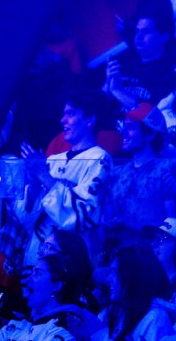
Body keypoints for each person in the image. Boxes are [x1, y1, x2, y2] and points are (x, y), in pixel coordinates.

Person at [16, 89, 113, 272]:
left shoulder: (101, 159)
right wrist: (34, 183)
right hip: (34, 257)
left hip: (70, 262)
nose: (63, 120)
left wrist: (43, 175)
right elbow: (25, 220)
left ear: (90, 120)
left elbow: (81, 217)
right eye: (63, 115)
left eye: (70, 114)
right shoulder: (52, 160)